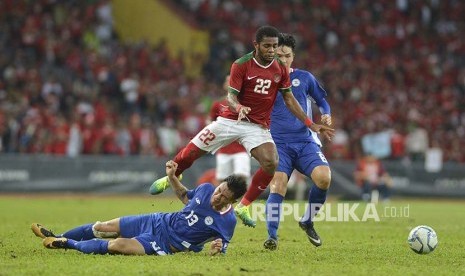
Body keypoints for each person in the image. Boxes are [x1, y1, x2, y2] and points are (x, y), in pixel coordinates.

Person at [149, 26, 334, 228]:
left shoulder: (280, 68)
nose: (272, 50)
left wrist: (310, 124)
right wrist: (238, 106)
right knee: (191, 153)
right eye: (267, 46)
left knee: (271, 163)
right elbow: (231, 96)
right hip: (231, 121)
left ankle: (244, 205)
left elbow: (289, 99)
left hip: (257, 126)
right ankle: (172, 176)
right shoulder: (241, 64)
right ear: (256, 45)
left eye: (274, 46)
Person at [31, 160, 247, 256]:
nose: (217, 196)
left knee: (117, 245)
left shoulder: (227, 222)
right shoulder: (206, 188)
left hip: (165, 243)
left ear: (232, 201)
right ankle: (57, 235)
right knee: (102, 227)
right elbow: (184, 196)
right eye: (219, 190)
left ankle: (67, 244)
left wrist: (216, 250)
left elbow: (220, 248)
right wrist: (172, 177)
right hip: (157, 220)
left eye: (223, 197)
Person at [263, 33, 332, 250]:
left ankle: (308, 221)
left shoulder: (305, 77)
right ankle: (272, 236)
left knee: (323, 178)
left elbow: (321, 100)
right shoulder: (265, 80)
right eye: (279, 55)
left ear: (293, 57)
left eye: (287, 55)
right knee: (279, 184)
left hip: (304, 141)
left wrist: (326, 113)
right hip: (278, 144)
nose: (283, 60)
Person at [208, 75, 251, 184]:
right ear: (224, 85)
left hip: (241, 148)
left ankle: (243, 201)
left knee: (242, 176)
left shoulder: (245, 104)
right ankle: (221, 200)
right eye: (228, 81)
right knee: (221, 179)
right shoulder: (218, 104)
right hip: (224, 148)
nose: (230, 83)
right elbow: (210, 122)